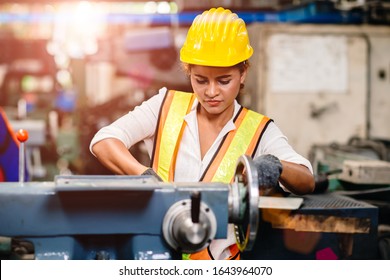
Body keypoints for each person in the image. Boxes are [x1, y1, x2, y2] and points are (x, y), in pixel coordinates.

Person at [90, 7, 315, 260]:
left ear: (243, 74)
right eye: (200, 80)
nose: (211, 92)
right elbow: (104, 141)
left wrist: (276, 165)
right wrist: (144, 176)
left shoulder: (260, 130)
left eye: (223, 80)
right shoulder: (165, 105)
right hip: (157, 261)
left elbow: (306, 180)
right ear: (188, 72)